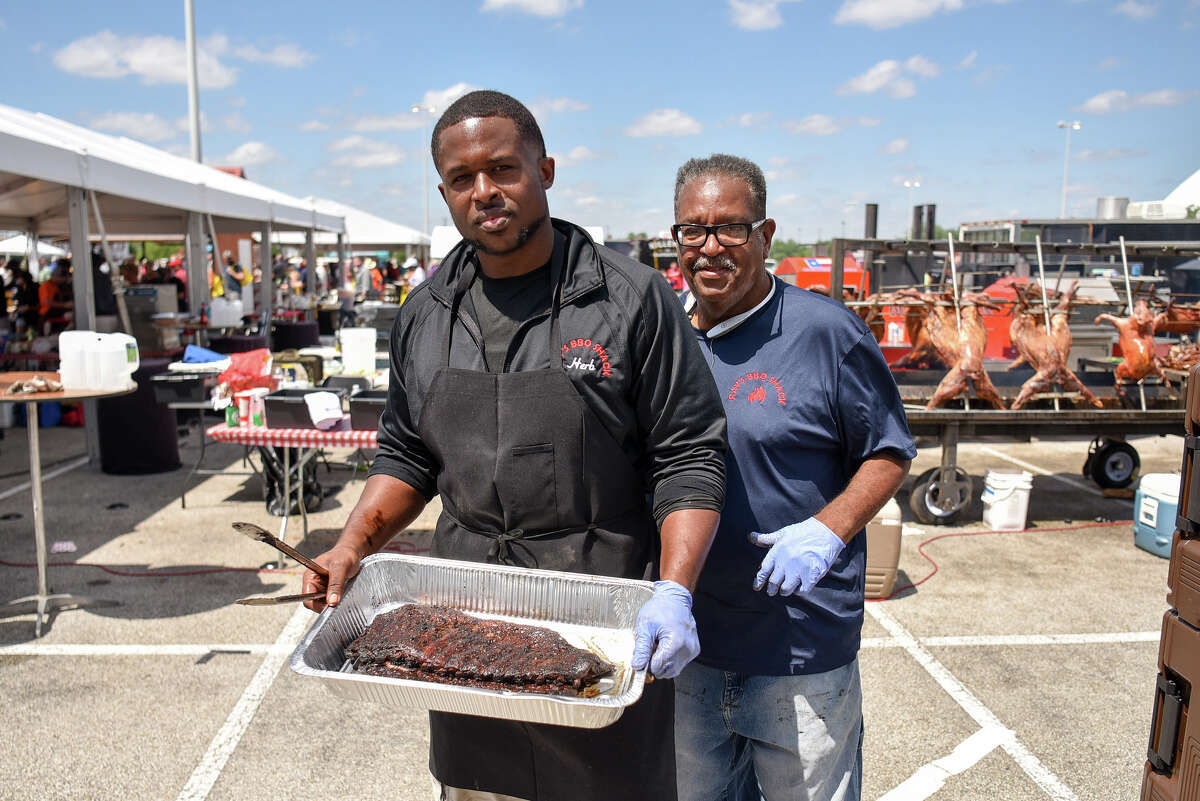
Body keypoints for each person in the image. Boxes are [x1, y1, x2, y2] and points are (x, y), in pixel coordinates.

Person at [302, 90, 728, 801]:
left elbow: (688, 457)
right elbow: (406, 454)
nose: (484, 191)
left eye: (503, 168)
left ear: (545, 170)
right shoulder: (425, 314)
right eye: (461, 178)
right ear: (444, 192)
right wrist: (352, 545)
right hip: (467, 619)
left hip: (600, 614)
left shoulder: (630, 298)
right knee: (479, 786)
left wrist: (676, 590)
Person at [669, 155, 915, 801]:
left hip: (799, 650)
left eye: (731, 228)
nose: (710, 247)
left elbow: (889, 451)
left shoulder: (825, 333)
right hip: (691, 646)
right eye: (693, 230)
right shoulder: (664, 337)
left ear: (766, 234)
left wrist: (829, 529)